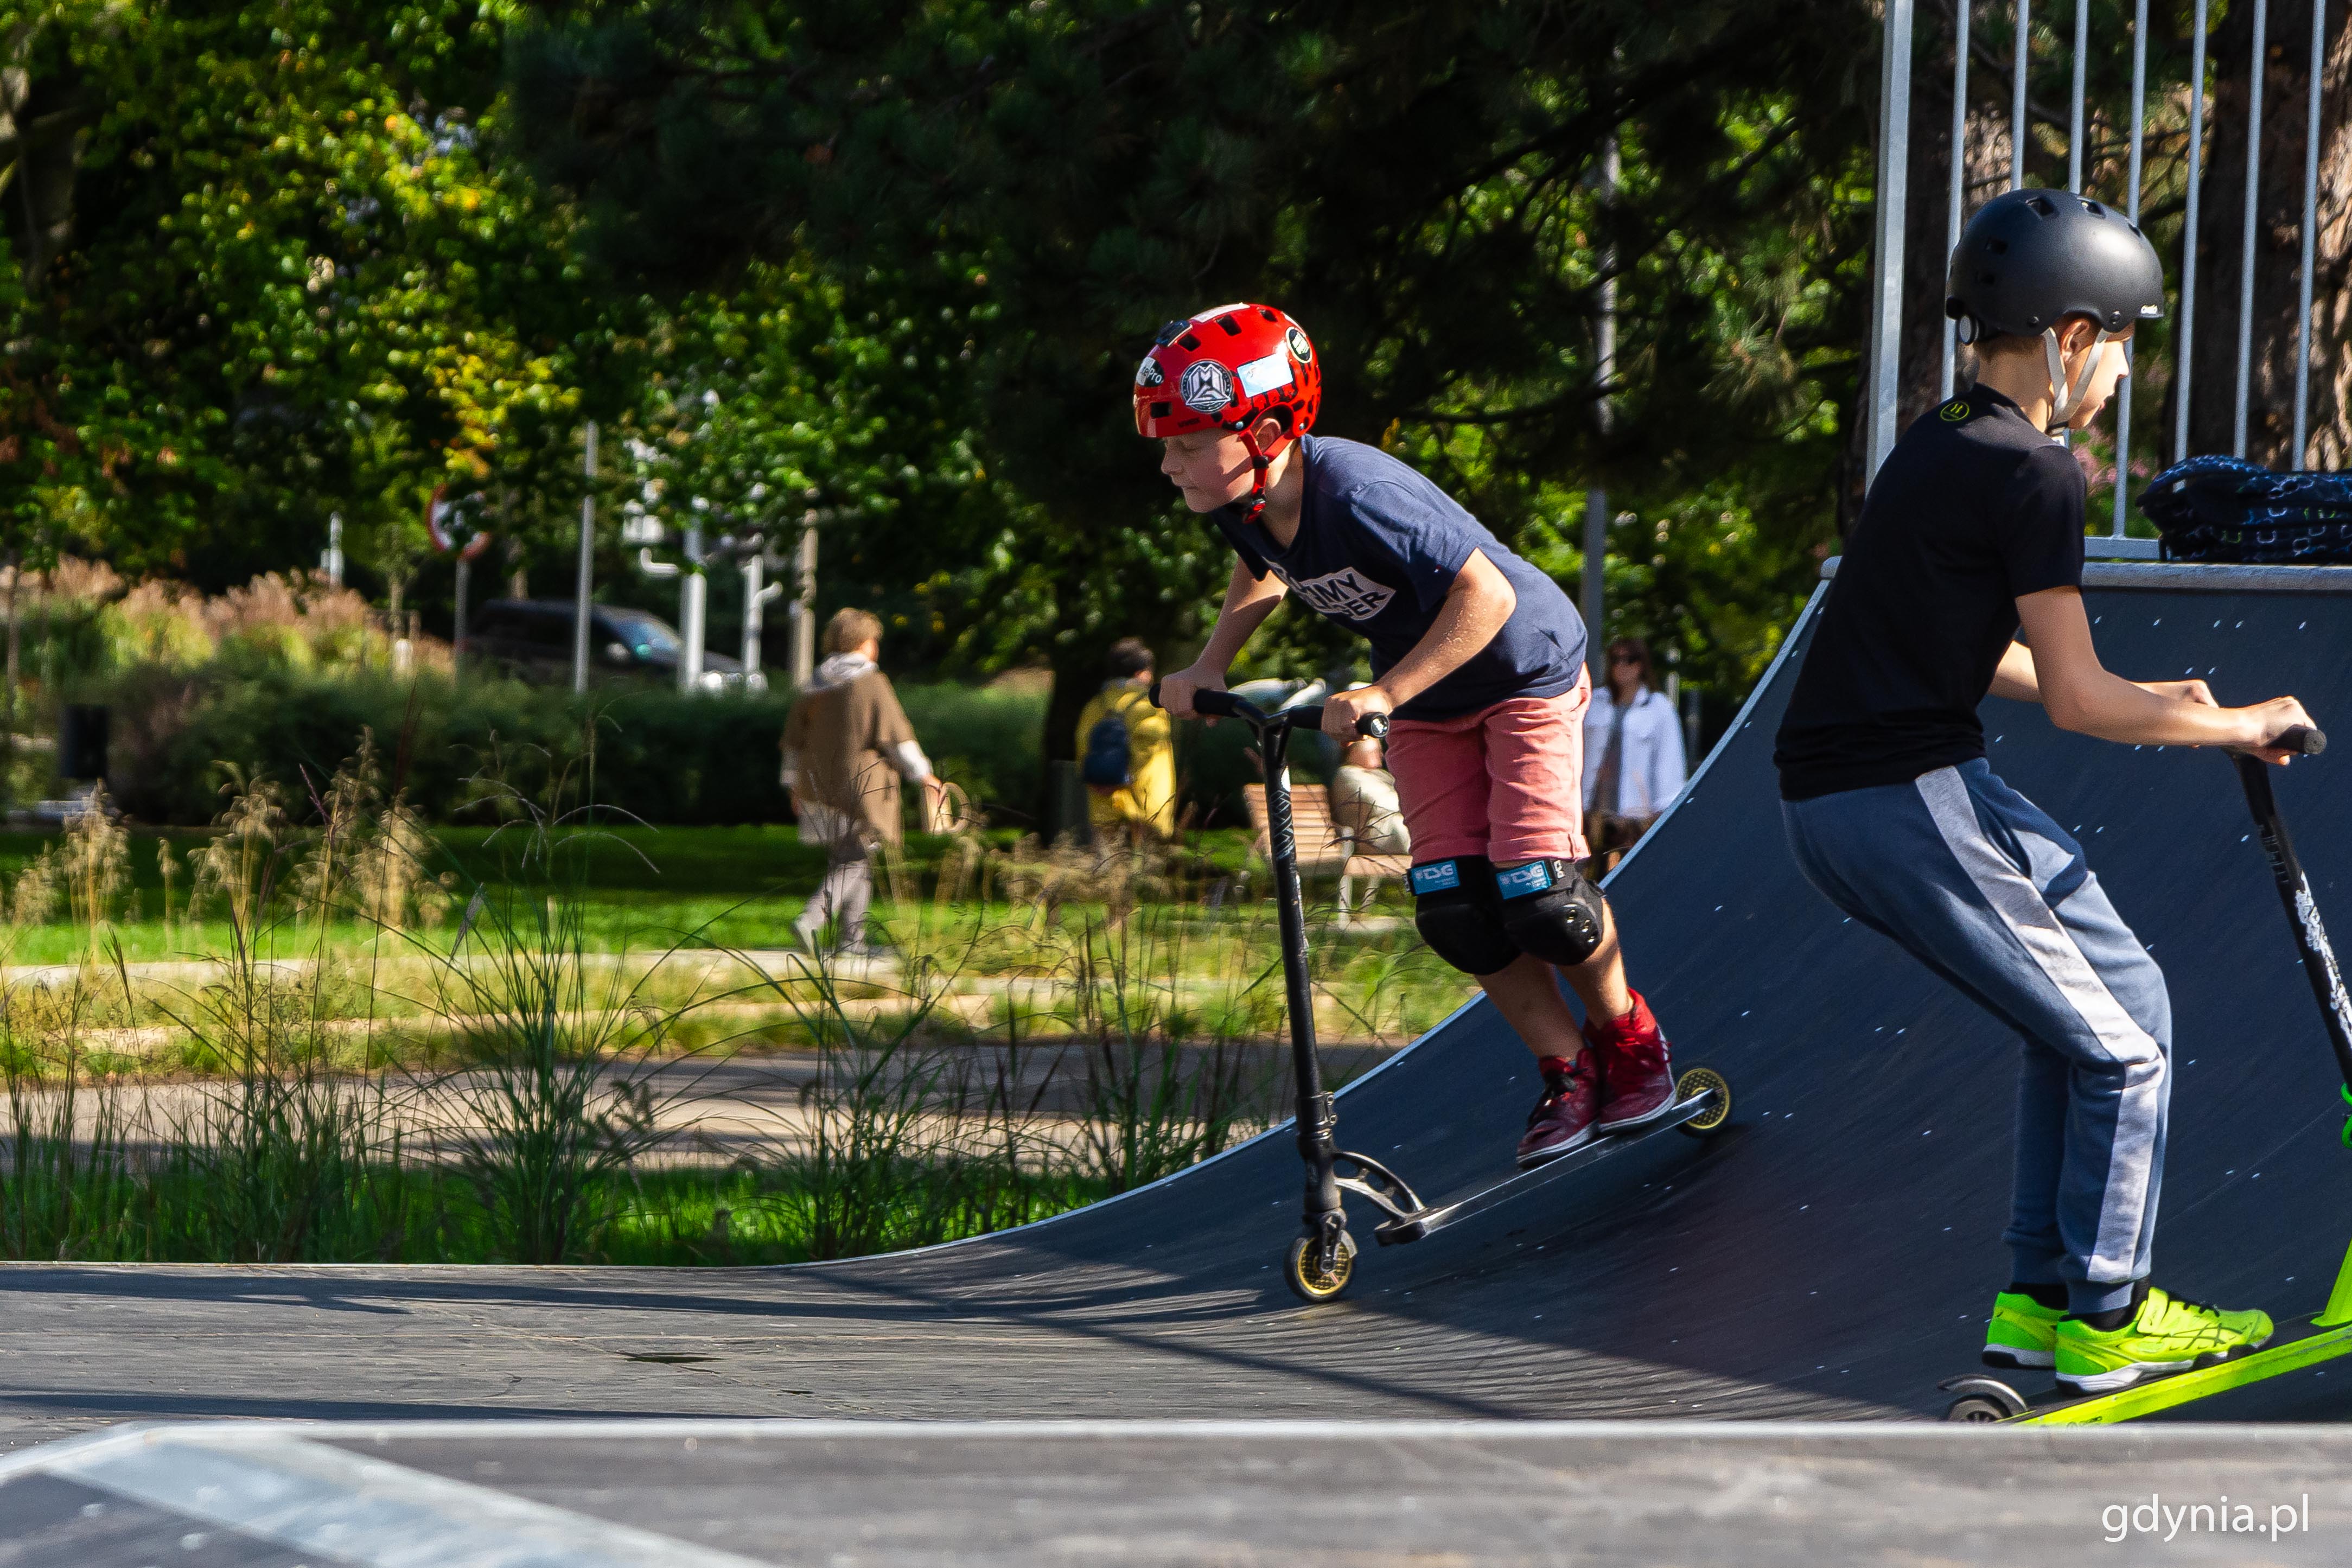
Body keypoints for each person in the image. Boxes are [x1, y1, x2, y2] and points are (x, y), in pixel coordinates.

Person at [1774, 189, 2313, 1394]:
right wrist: (2233, 721)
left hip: (1861, 791)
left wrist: (2164, 701)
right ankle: (2111, 1315)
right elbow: (2075, 700)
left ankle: (2038, 1296)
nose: (2122, 373)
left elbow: (1974, 651)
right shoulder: (2037, 470)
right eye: (2122, 343)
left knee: (2100, 1007)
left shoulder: (1939, 444)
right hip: (1902, 791)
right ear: (2070, 335)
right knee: (2123, 1051)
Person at [1143, 302, 1677, 1168]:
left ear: (1268, 431)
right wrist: (1210, 664)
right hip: (1428, 697)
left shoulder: (1358, 491)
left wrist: (1383, 689)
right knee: (1455, 906)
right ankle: (1566, 1071)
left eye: (1185, 444)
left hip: (1519, 673)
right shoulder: (1241, 500)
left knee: (1537, 892)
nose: (1167, 465)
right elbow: (1262, 570)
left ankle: (1629, 1039)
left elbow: (1489, 597)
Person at [781, 608, 945, 957]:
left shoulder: (814, 684)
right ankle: (812, 919)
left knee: (851, 859)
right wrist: (924, 774)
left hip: (817, 786)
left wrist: (793, 784)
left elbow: (794, 743)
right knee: (855, 860)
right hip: (861, 788)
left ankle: (852, 943)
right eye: (874, 641)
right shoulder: (872, 683)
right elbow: (896, 738)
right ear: (864, 643)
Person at [1582, 636, 1687, 861]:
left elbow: (1669, 761)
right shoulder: (1595, 702)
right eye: (1615, 660)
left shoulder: (1658, 708)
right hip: (1591, 811)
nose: (1621, 666)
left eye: (1629, 660)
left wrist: (1663, 809)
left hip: (1634, 815)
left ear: (1641, 665)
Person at [1075, 638, 1177, 841]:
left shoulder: (1095, 705)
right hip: (1144, 798)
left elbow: (1082, 745)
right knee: (1144, 863)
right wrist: (1128, 777)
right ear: (1141, 673)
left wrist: (1099, 780)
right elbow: (1149, 746)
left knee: (1109, 863)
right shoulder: (1151, 705)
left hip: (1104, 796)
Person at [1329, 731, 1411, 855]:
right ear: (1354, 752)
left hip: (1393, 830)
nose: (1381, 755)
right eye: (1374, 751)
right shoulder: (1347, 775)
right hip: (1375, 836)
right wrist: (1412, 802)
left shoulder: (1379, 774)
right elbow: (1378, 803)